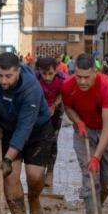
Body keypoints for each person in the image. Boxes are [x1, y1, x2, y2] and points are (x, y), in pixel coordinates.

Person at [0, 52, 54, 214]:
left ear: (18, 71)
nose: (3, 81)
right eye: (0, 75)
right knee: (10, 178)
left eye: (8, 76)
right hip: (6, 129)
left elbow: (24, 129)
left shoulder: (31, 88)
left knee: (35, 176)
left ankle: (34, 198)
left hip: (36, 130)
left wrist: (6, 159)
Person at [62, 53, 108, 214]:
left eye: (87, 77)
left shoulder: (106, 86)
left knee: (106, 183)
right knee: (90, 181)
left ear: (95, 73)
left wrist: (97, 156)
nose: (82, 81)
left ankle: (94, 208)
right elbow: (68, 107)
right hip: (84, 131)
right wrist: (77, 121)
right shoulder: (68, 85)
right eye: (79, 76)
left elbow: (107, 127)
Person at [36, 57, 66, 187]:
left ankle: (50, 171)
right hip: (38, 108)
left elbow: (63, 94)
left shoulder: (63, 79)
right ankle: (38, 170)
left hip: (56, 109)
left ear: (56, 70)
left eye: (50, 73)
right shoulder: (34, 78)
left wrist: (54, 106)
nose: (47, 77)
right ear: (39, 71)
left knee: (52, 140)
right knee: (38, 140)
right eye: (44, 74)